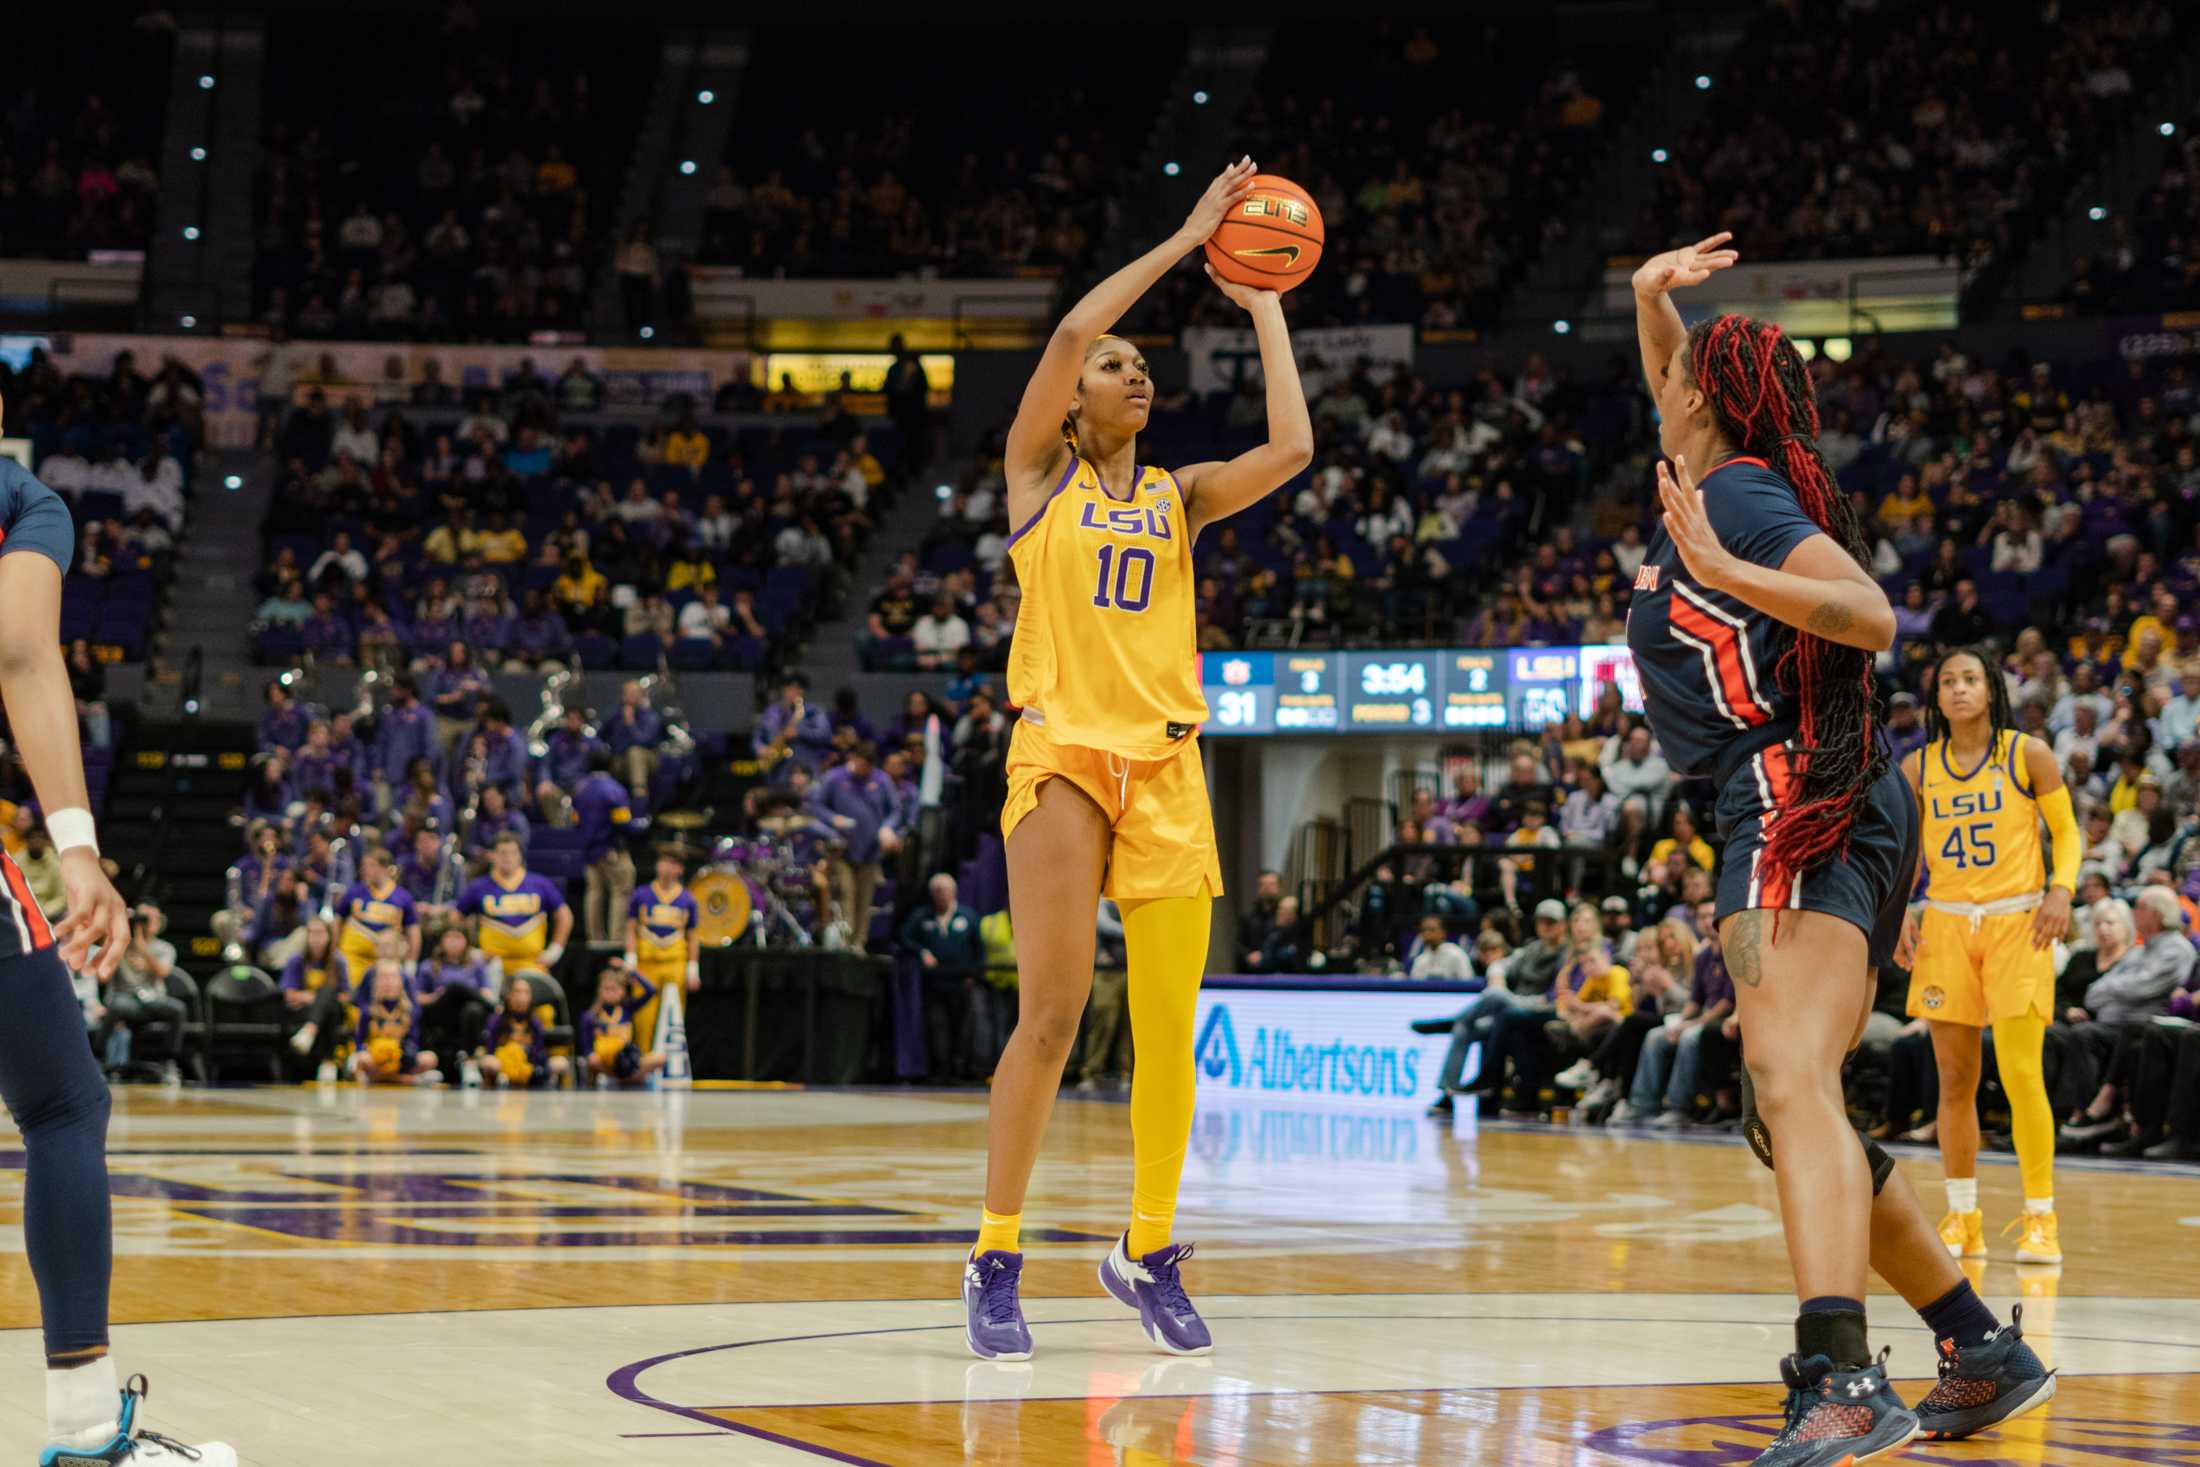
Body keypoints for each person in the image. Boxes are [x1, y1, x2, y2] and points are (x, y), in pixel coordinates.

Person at [1626, 233, 2048, 1463]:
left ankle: (1841, 1377)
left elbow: (1868, 616)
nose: (1661, 383)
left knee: (1787, 1089)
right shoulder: (1702, 463)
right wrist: (1652, 298)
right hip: (1813, 792)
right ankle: (1976, 1348)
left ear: (1703, 399)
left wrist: (1717, 570)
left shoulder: (1734, 498)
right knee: (1792, 1107)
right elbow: (1669, 373)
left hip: (1793, 790)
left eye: (1676, 372)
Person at [961, 157, 1312, 1363]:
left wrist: (1263, 299)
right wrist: (1189, 236)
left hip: (1166, 770)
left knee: (1171, 1030)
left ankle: (1145, 1248)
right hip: (1063, 755)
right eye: (1118, 367)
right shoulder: (1032, 479)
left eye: (1142, 367)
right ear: (1070, 405)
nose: (1132, 370)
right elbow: (1070, 325)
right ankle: (994, 1252)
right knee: (1053, 1016)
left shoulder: (1178, 494)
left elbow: (1293, 446)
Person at [1892, 648, 2080, 1267]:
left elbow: (2068, 833)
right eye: (1948, 681)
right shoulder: (1919, 768)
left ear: (1990, 689)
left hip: (2017, 924)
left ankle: (2040, 1219)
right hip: (1946, 925)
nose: (1959, 689)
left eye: (1970, 679)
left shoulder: (2026, 754)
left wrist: (2061, 889)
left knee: (2023, 1076)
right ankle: (1963, 1216)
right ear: (1936, 696)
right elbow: (1903, 856)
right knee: (1954, 1081)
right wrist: (1897, 913)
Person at [456, 834, 571, 977]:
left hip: (532, 963)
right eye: (503, 853)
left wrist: (556, 949)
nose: (508, 857)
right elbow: (455, 918)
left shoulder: (539, 883)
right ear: (493, 855)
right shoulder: (478, 886)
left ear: (520, 856)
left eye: (513, 852)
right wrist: (468, 950)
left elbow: (564, 915)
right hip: (491, 965)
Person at [624, 846, 701, 1040]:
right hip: (646, 963)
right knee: (643, 1019)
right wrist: (630, 956)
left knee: (673, 1017)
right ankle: (644, 1062)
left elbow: (692, 936)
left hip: (674, 963)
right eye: (663, 862)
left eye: (672, 864)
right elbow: (631, 928)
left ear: (680, 869)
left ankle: (670, 1064)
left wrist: (693, 967)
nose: (666, 868)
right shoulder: (641, 894)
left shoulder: (688, 899)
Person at [280, 915, 353, 1080]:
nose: (315, 938)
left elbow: (346, 996)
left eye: (320, 933)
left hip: (330, 1014)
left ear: (328, 936)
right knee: (328, 999)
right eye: (312, 933)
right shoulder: (296, 960)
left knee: (329, 999)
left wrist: (314, 997)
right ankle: (328, 1062)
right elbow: (289, 995)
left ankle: (310, 1032)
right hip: (302, 1013)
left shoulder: (337, 961)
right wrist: (320, 999)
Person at [335, 845, 421, 976]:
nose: (366, 870)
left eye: (372, 865)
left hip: (386, 959)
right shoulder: (354, 892)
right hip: (354, 957)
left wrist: (411, 962)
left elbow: (413, 932)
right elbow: (338, 920)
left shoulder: (403, 897)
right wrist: (334, 949)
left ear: (385, 868)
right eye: (365, 865)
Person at [350, 960, 439, 1085]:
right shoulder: (368, 1010)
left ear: (400, 982)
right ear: (376, 982)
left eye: (392, 977)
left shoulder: (410, 1010)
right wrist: (374, 1051)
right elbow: (358, 1041)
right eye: (384, 978)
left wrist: (401, 1053)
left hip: (401, 1060)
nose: (388, 982)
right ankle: (405, 1080)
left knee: (430, 1058)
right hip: (376, 1060)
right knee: (362, 1058)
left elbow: (414, 1041)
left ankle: (382, 1079)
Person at [578, 964, 664, 1087]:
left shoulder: (627, 1008)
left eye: (614, 989)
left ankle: (626, 1078)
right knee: (593, 1061)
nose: (610, 993)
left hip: (627, 1060)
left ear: (622, 991)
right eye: (607, 989)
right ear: (600, 991)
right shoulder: (591, 1016)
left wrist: (632, 972)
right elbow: (588, 1051)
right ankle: (630, 1079)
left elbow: (651, 990)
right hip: (606, 1064)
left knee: (659, 1058)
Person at [475, 974, 565, 1089]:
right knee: (489, 1062)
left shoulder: (535, 1022)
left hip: (528, 1066)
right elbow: (490, 1049)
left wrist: (526, 1057)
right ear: (509, 996)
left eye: (526, 992)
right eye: (517, 992)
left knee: (560, 1063)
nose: (522, 997)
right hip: (503, 1065)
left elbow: (539, 1052)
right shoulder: (497, 1020)